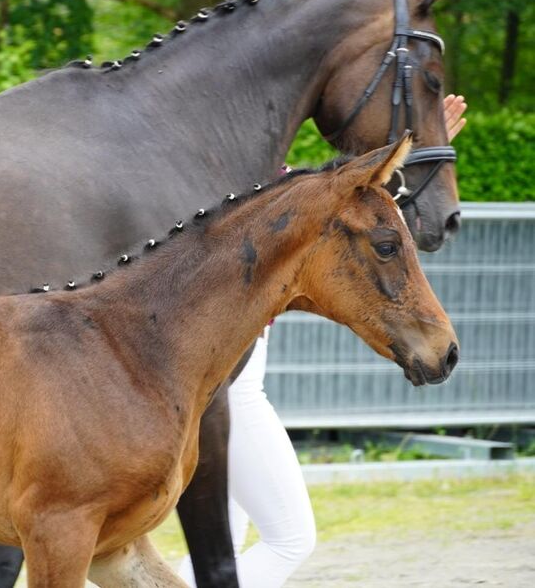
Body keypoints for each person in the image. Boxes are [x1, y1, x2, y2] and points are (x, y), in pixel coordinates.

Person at [178, 94, 467, 587]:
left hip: (236, 366)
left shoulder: (248, 172)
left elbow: (348, 206)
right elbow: (335, 207)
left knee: (227, 534)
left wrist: (416, 153)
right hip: (233, 379)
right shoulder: (243, 176)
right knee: (290, 537)